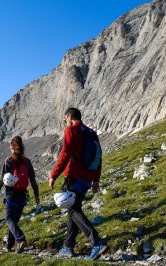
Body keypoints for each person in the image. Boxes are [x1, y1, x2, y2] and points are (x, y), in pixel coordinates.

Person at [49, 107, 108, 260]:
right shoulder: (91, 133)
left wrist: (53, 175)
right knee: (73, 208)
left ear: (70, 116)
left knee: (73, 209)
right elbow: (99, 157)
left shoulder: (72, 130)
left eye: (65, 118)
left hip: (74, 177)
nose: (64, 121)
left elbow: (65, 154)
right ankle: (68, 246)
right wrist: (96, 180)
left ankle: (96, 242)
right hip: (87, 178)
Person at [0, 136, 40, 253]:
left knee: (8, 219)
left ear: (12, 147)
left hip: (11, 194)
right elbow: (32, 179)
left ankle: (20, 239)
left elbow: (2, 178)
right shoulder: (27, 161)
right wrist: (37, 195)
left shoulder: (9, 160)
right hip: (22, 195)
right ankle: (9, 246)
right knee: (13, 222)